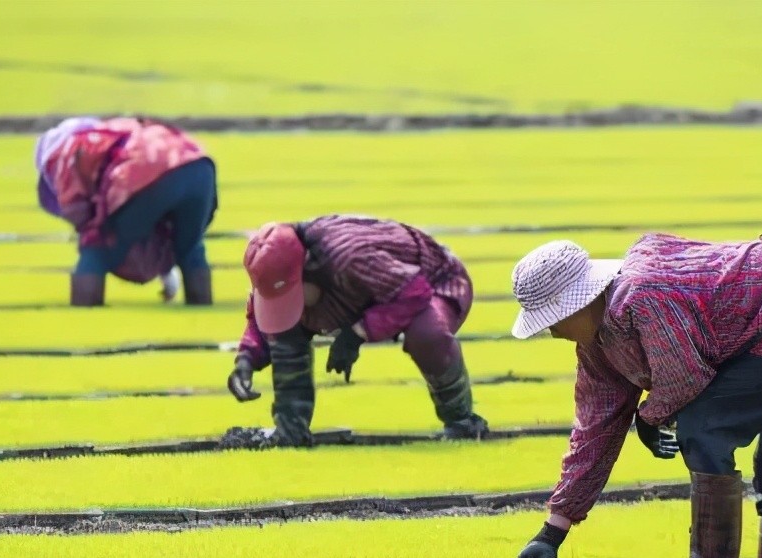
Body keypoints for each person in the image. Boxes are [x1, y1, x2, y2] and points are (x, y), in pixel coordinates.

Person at [507, 233, 762, 558]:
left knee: (704, 429)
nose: (551, 330)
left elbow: (684, 380)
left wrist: (650, 417)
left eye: (552, 318)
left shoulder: (642, 297)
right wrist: (552, 533)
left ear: (580, 301)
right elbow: (594, 432)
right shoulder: (597, 346)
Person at [230, 216, 490, 443]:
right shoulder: (274, 265)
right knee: (286, 332)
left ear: (307, 269)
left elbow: (415, 293)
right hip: (354, 293)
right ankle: (291, 430)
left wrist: (356, 334)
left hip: (430, 282)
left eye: (291, 293)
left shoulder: (351, 257)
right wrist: (246, 359)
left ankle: (462, 421)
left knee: (426, 333)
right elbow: (264, 317)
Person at [35, 116, 217, 306]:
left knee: (98, 249)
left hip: (146, 168)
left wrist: (96, 235)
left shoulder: (68, 151)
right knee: (189, 248)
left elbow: (78, 210)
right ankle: (200, 303)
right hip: (200, 167)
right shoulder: (120, 131)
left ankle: (84, 308)